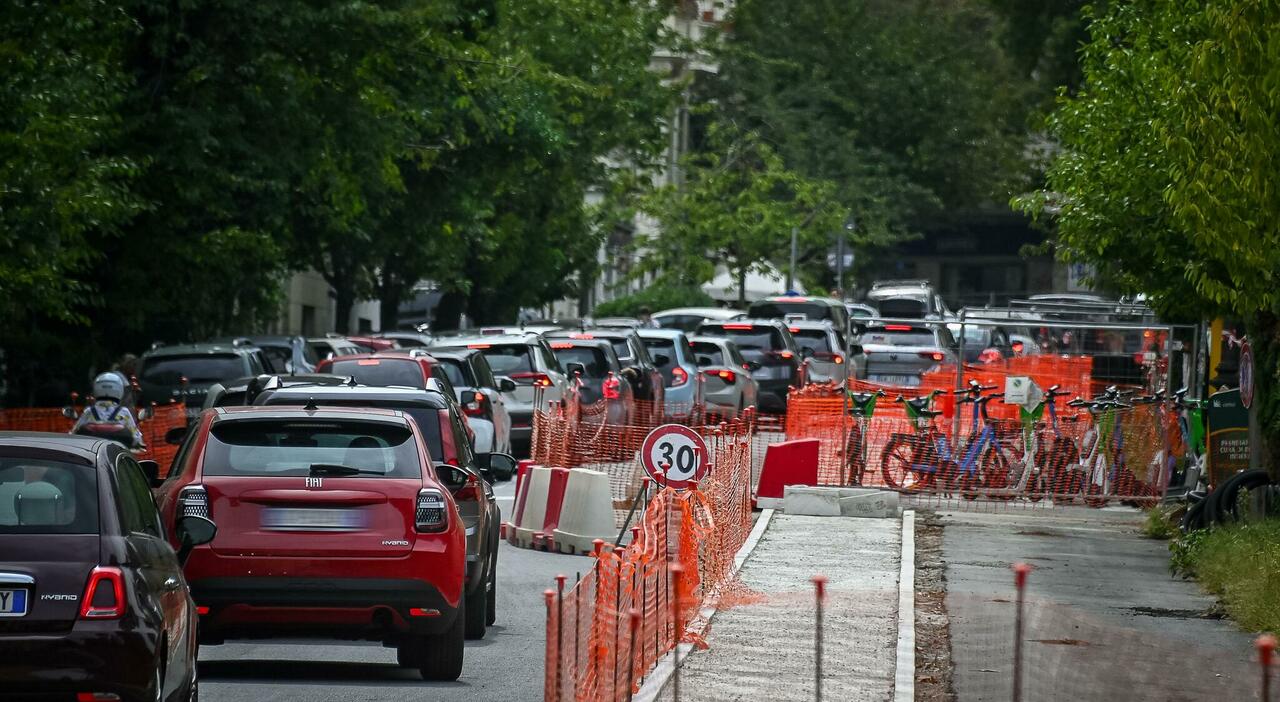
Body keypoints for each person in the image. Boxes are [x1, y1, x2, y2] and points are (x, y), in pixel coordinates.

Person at [71, 372, 144, 449]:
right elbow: (135, 436)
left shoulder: (89, 411)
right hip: (117, 451)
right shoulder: (124, 412)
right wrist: (138, 443)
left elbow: (74, 433)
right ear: (119, 389)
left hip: (91, 451)